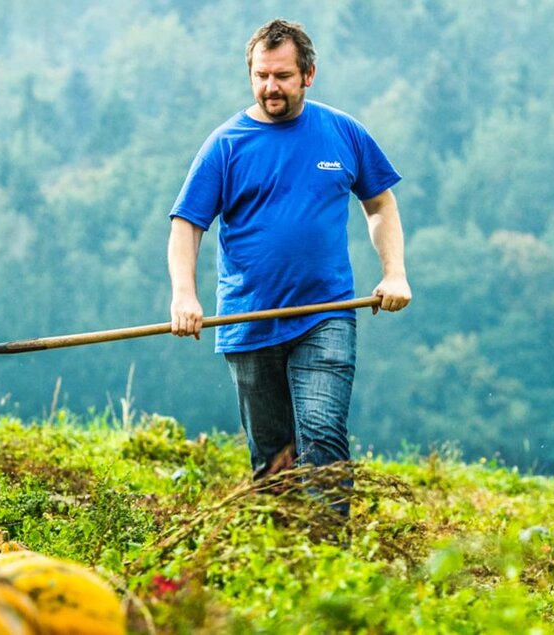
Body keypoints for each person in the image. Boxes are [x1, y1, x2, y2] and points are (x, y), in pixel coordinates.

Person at [166, 18, 411, 514]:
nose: (270, 87)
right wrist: (185, 296)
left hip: (326, 314)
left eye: (282, 76)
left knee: (322, 435)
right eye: (261, 76)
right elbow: (187, 225)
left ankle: (327, 551)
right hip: (248, 320)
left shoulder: (343, 132)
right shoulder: (226, 144)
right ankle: (282, 554)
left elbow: (380, 205)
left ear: (308, 75)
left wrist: (394, 273)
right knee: (273, 461)